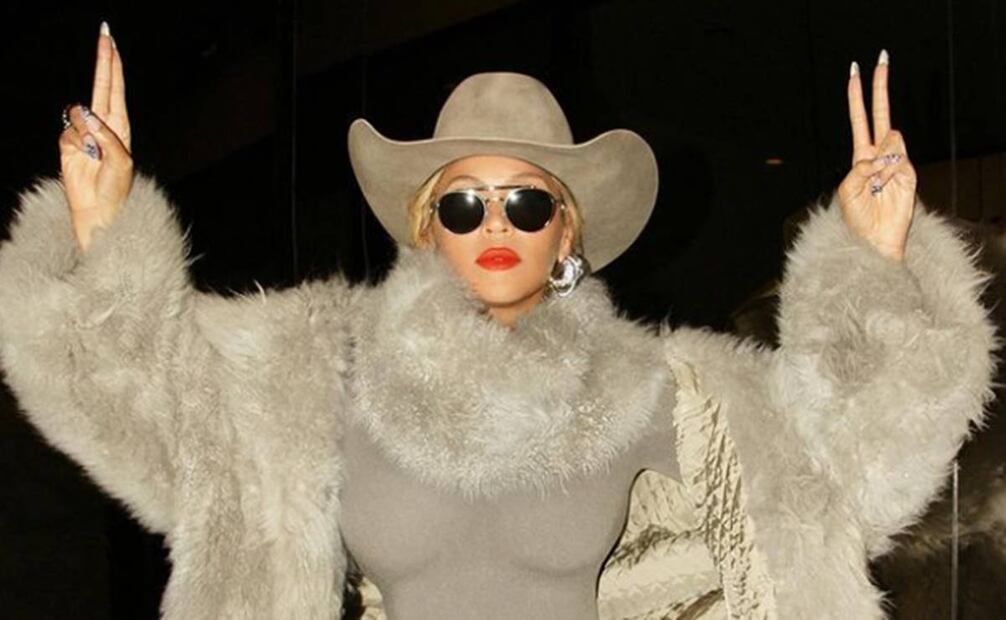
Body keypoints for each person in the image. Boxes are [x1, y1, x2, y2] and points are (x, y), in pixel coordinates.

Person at [0, 22, 997, 620]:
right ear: (424, 224)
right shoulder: (319, 371)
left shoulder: (653, 387)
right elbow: (150, 417)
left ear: (566, 231)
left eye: (525, 203)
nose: (493, 225)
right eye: (462, 203)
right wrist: (104, 235)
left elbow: (835, 482)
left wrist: (872, 267)